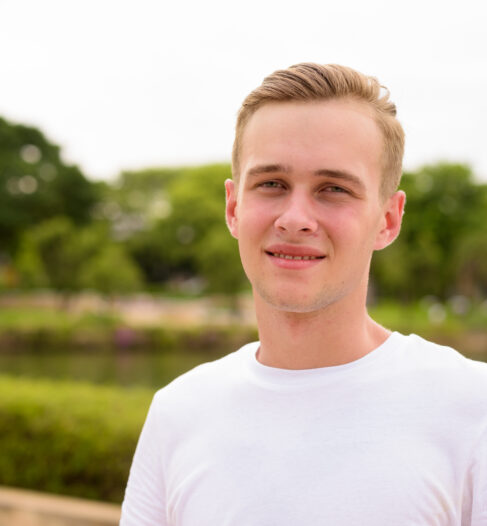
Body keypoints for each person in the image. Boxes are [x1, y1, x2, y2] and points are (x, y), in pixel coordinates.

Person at [120, 63, 487, 525]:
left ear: (388, 220)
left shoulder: (475, 410)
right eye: (271, 184)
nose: (295, 218)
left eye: (333, 189)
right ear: (234, 208)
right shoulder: (178, 412)